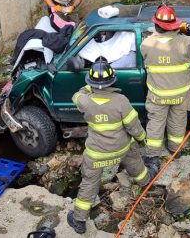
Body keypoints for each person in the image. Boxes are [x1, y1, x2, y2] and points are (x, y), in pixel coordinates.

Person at [67, 57, 157, 234]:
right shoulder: (121, 100)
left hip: (97, 155)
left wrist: (88, 87)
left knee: (89, 184)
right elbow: (134, 125)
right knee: (135, 161)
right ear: (112, 80)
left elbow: (76, 95)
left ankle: (78, 220)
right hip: (121, 150)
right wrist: (141, 139)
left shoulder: (84, 101)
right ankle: (147, 183)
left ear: (91, 82)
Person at [141, 4, 190, 165]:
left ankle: (152, 155)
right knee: (178, 121)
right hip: (181, 95)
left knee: (155, 123)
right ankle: (175, 149)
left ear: (156, 25)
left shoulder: (146, 44)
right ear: (174, 25)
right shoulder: (188, 43)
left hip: (158, 95)